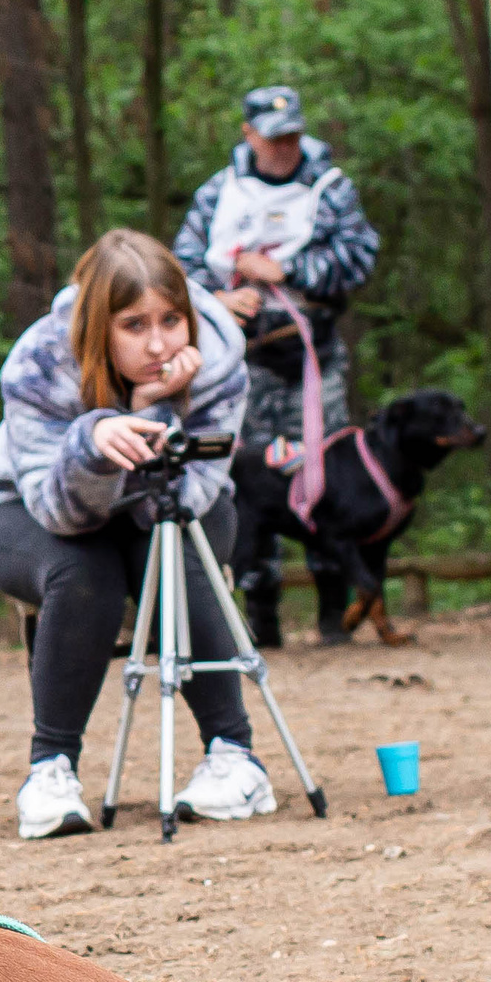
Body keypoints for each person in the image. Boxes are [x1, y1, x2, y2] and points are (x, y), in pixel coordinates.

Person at [0, 228, 268, 839]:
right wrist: (93, 445)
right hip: (22, 507)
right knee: (85, 567)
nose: (159, 344)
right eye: (134, 326)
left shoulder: (221, 357)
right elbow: (58, 514)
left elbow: (187, 498)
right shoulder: (39, 361)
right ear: (99, 326)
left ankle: (234, 758)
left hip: (156, 513)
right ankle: (50, 771)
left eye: (172, 320)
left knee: (175, 542)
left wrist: (156, 407)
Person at [173, 85, 380, 645]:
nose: (284, 146)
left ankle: (333, 616)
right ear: (249, 134)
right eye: (273, 136)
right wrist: (219, 298)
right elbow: (181, 268)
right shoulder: (218, 193)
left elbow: (360, 256)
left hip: (315, 359)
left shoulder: (330, 188)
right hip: (244, 363)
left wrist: (289, 273)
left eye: (291, 135)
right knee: (249, 481)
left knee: (328, 479)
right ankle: (262, 619)